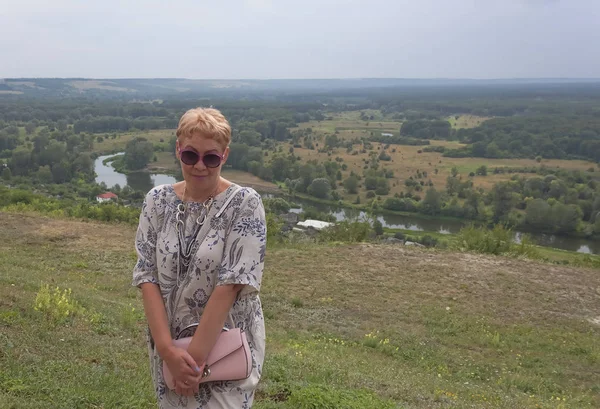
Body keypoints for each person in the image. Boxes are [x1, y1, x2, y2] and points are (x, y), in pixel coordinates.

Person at [132, 107, 267, 408]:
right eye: (191, 155)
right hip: (170, 348)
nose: (200, 166)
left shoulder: (245, 205)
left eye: (211, 157)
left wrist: (191, 364)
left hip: (226, 347)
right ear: (178, 150)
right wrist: (167, 351)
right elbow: (147, 276)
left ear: (225, 156)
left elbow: (231, 285)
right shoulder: (157, 202)